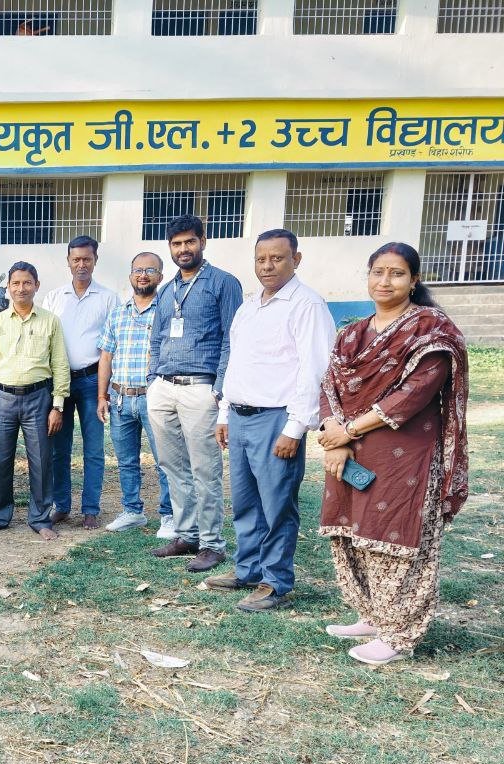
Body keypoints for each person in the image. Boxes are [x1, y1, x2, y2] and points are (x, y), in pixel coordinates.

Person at [317, 242, 469, 666]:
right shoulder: (352, 332)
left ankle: (399, 633)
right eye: (378, 272)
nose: (385, 281)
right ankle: (373, 615)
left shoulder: (430, 330)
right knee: (352, 530)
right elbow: (328, 385)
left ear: (414, 280)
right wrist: (337, 435)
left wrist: (347, 429)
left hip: (405, 453)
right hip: (348, 453)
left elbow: (413, 395)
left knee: (395, 534)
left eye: (397, 273)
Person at [208, 230, 335, 611]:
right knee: (245, 502)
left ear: (296, 260)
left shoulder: (307, 305)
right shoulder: (249, 306)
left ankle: (275, 581)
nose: (268, 266)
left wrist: (294, 428)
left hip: (276, 420)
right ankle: (246, 569)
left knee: (277, 505)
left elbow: (315, 371)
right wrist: (225, 412)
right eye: (261, 259)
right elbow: (237, 363)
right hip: (242, 417)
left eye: (277, 258)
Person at [147, 214, 243, 574]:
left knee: (205, 468)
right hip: (164, 388)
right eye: (176, 244)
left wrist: (219, 390)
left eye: (190, 242)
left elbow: (231, 340)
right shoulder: (168, 289)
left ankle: (212, 543)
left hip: (201, 388)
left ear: (203, 241)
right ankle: (186, 534)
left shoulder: (223, 283)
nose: (183, 249)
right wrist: (153, 377)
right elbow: (156, 338)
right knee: (172, 465)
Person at [0, 262, 69, 540]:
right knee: (1, 460)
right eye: (15, 283)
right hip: (2, 399)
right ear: (8, 287)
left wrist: (58, 405)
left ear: (36, 286)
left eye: (27, 283)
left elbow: (60, 364)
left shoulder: (50, 320)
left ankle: (40, 518)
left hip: (39, 399)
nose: (21, 288)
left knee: (41, 460)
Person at [41, 236, 118, 530]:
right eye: (76, 259)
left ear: (95, 260)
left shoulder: (108, 298)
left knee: (94, 449)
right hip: (60, 383)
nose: (81, 265)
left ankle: (90, 509)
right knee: (59, 449)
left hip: (91, 382)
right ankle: (62, 505)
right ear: (68, 262)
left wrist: (105, 390)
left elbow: (112, 346)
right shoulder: (54, 297)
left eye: (87, 259)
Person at [97, 252, 174, 539]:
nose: (143, 275)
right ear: (130, 275)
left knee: (164, 459)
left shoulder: (167, 312)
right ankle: (132, 511)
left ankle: (169, 516)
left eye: (150, 270)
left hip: (154, 398)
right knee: (126, 460)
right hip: (119, 398)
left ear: (160, 277)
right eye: (138, 270)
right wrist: (101, 396)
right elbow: (106, 356)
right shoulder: (117, 313)